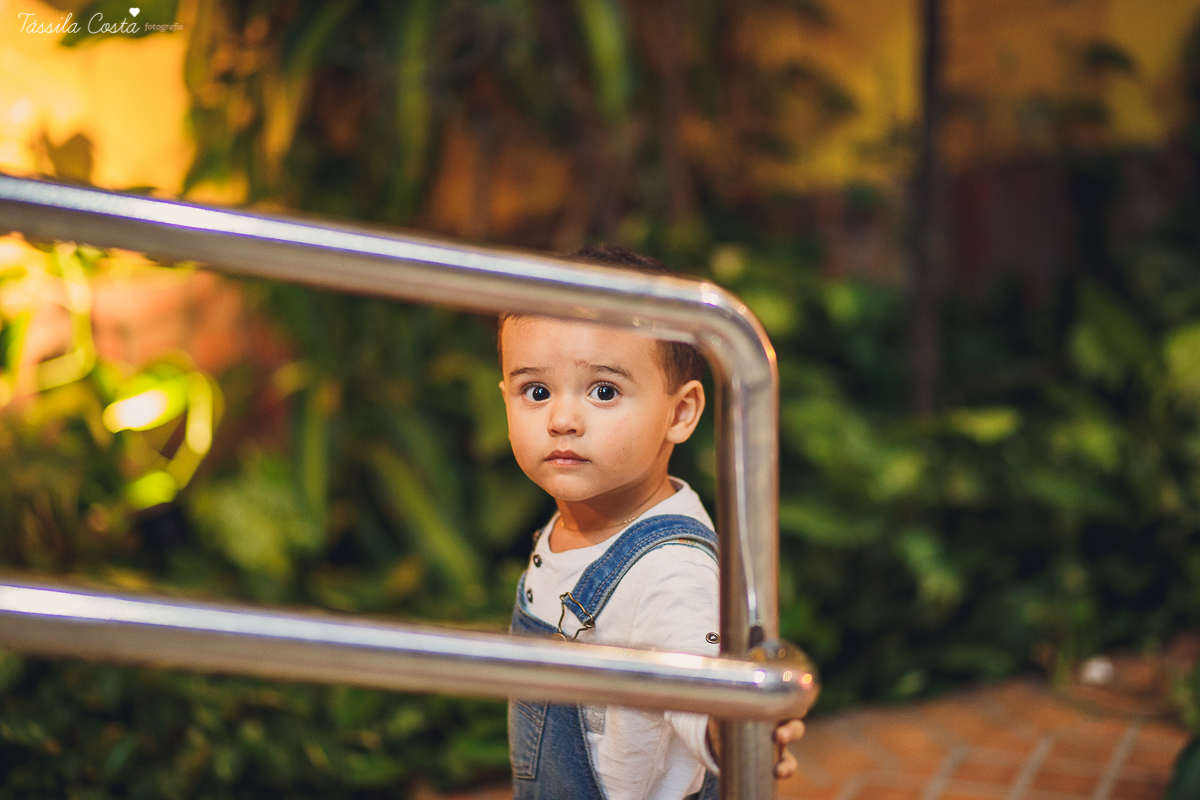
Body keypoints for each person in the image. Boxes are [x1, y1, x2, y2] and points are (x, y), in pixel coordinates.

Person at [499, 245, 806, 800]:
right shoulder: (580, 518)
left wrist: (733, 732)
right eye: (536, 392)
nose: (562, 419)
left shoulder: (672, 570)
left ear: (680, 412)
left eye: (604, 391)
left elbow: (700, 690)